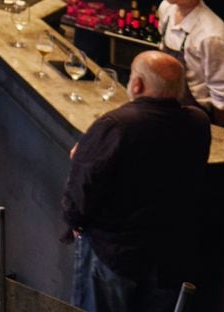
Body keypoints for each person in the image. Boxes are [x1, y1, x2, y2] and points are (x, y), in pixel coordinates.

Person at [62, 50, 210, 312]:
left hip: (115, 254)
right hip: (169, 258)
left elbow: (82, 188)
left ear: (137, 84)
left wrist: (75, 223)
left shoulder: (117, 125)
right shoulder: (198, 123)